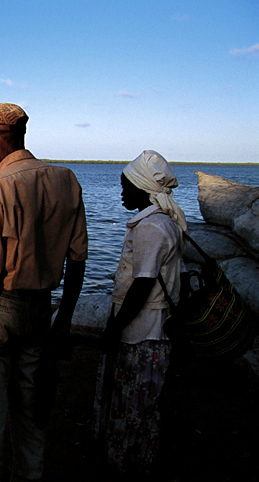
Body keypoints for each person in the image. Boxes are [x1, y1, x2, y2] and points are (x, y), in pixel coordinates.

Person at [0, 103, 88, 482]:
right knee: (32, 406)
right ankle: (32, 474)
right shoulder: (66, 180)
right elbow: (77, 261)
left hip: (1, 311)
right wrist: (64, 320)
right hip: (42, 311)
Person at [92, 150, 186, 477]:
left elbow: (143, 284)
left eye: (125, 187)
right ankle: (138, 459)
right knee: (145, 403)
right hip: (152, 328)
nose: (121, 193)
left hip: (143, 332)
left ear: (142, 187)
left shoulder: (151, 227)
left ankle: (126, 463)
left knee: (132, 403)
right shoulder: (163, 222)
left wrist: (114, 329)